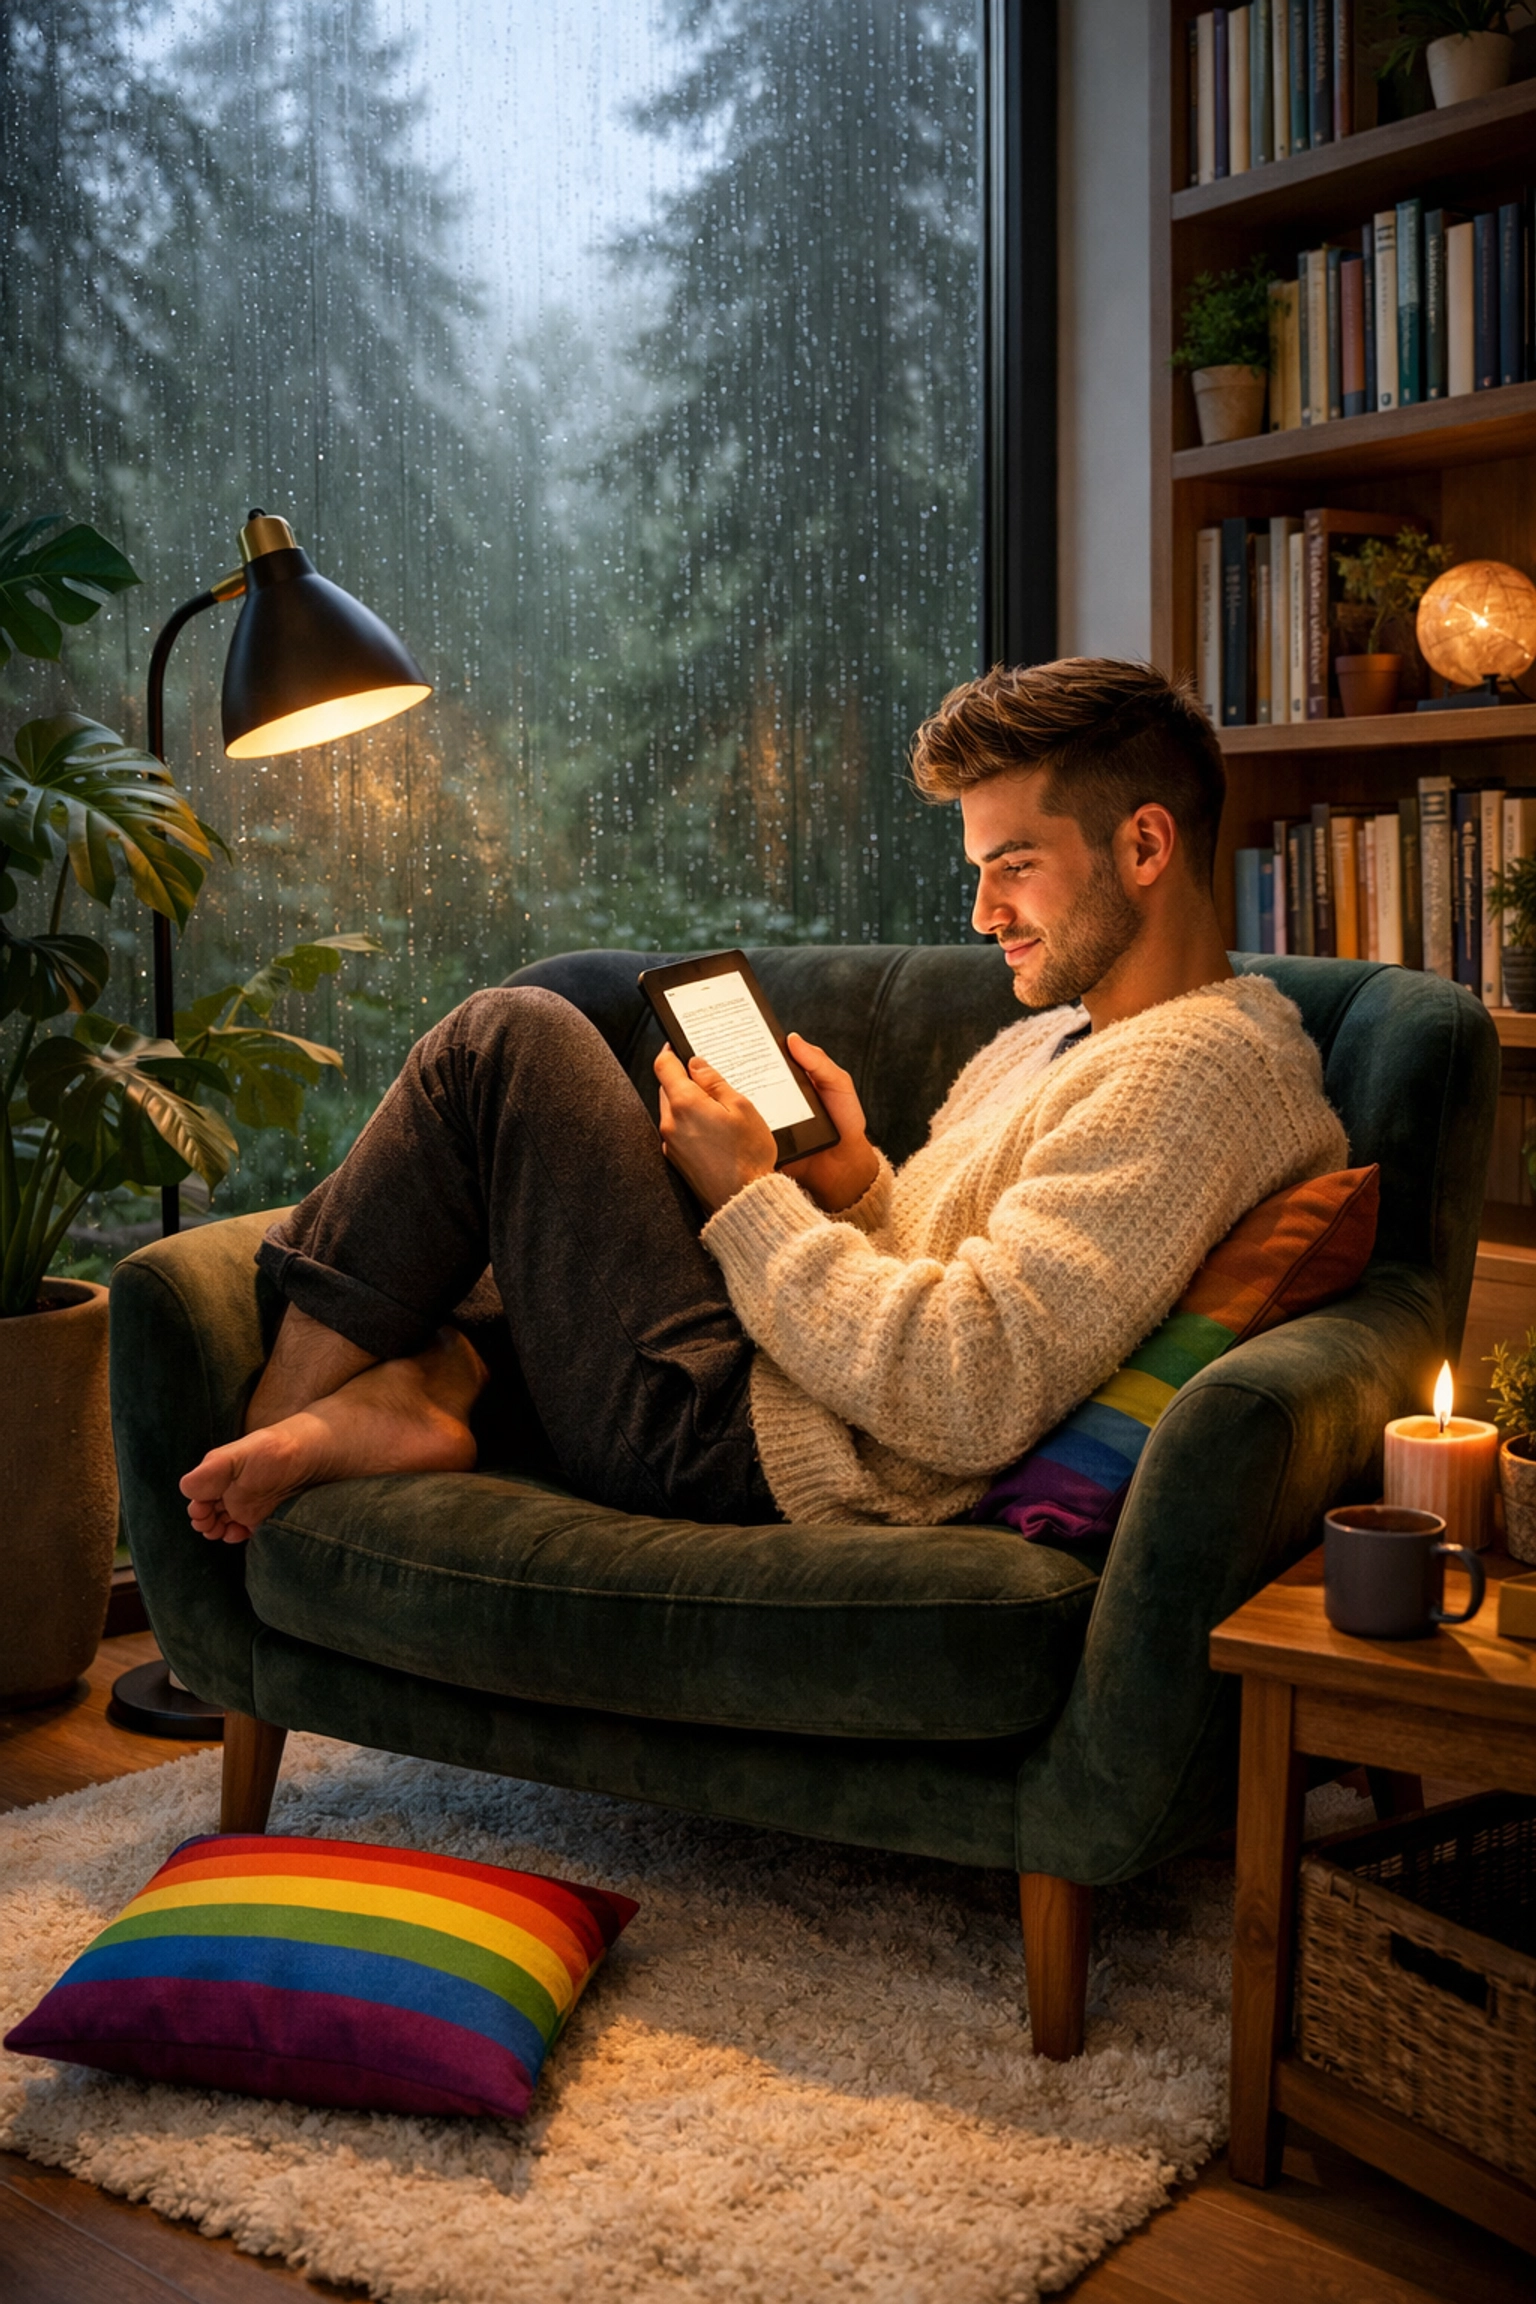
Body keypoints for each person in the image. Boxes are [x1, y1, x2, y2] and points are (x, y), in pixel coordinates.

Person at [181, 656, 1347, 1542]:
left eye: (1015, 865)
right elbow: (955, 1273)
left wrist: (749, 1196)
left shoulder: (1200, 1071)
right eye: (976, 870)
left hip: (754, 1442)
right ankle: (442, 1387)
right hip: (781, 1375)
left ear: (1146, 846)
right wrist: (850, 1180)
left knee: (507, 1040)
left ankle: (246, 1489)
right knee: (532, 1110)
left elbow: (968, 1390)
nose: (985, 913)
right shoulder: (1058, 1040)